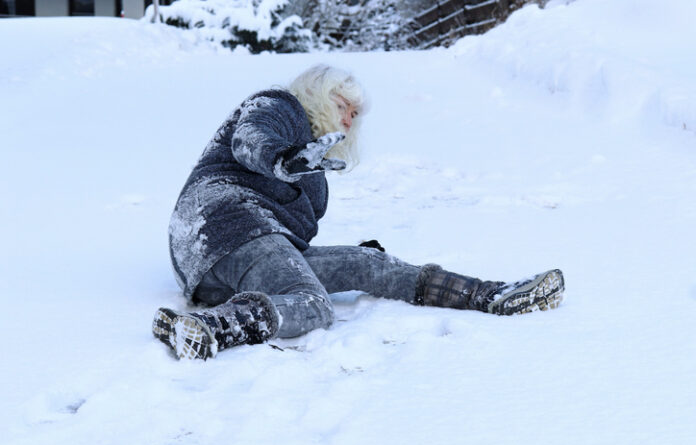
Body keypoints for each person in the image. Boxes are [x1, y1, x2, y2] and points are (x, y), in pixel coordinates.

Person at [152, 64, 565, 360]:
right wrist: (284, 160)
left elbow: (293, 250)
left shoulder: (316, 174)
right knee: (312, 305)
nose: (349, 119)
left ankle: (493, 295)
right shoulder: (279, 106)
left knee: (369, 261)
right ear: (316, 93)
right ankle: (209, 328)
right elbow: (249, 139)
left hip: (222, 262)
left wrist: (357, 254)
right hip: (223, 222)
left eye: (355, 114)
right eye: (342, 105)